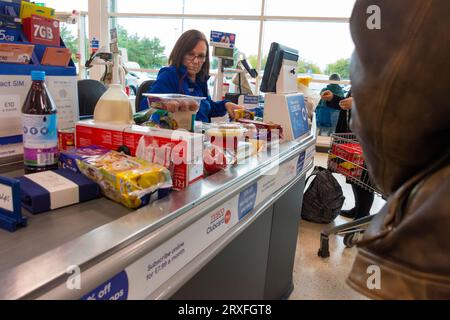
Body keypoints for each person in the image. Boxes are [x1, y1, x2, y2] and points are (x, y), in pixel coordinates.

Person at [140, 29, 243, 122]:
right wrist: (167, 105)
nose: (195, 61)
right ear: (180, 53)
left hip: (201, 137)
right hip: (178, 137)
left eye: (201, 56)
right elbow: (147, 106)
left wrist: (225, 105)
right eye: (190, 54)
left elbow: (207, 108)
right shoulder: (169, 75)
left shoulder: (200, 80)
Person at [321, 88, 374, 221]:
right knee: (354, 176)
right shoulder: (363, 78)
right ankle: (358, 208)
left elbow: (381, 106)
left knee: (364, 180)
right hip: (352, 139)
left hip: (367, 139)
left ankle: (362, 215)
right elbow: (347, 103)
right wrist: (333, 98)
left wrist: (357, 104)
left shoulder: (381, 80)